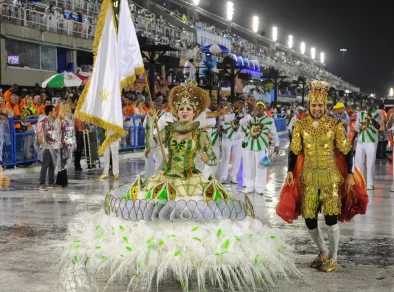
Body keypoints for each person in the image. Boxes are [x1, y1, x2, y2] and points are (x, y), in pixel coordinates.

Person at [61, 81, 300, 291]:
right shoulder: (168, 130)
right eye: (181, 108)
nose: (184, 112)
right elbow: (154, 143)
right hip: (166, 179)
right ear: (176, 111)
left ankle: (188, 258)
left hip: (191, 180)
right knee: (158, 215)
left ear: (194, 111)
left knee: (191, 218)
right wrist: (154, 130)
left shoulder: (200, 133)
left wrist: (207, 158)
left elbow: (212, 158)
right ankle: (162, 258)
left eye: (188, 109)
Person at [278, 80, 368, 272]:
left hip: (330, 179)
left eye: (320, 105)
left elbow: (346, 151)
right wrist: (290, 171)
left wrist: (351, 174)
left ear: (325, 105)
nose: (317, 108)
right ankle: (323, 252)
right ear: (309, 105)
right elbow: (294, 151)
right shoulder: (301, 125)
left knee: (330, 219)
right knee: (309, 219)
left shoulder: (335, 124)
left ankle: (334, 258)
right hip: (308, 178)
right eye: (313, 105)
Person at [240, 101, 279, 195]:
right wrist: (249, 116)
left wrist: (277, 145)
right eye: (257, 108)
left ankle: (260, 188)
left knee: (261, 167)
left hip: (262, 147)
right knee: (249, 167)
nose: (258, 109)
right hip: (249, 146)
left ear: (264, 109)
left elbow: (274, 133)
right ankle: (249, 187)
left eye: (260, 108)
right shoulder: (250, 119)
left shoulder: (269, 120)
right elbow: (241, 124)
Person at [351, 99, 382, 190]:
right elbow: (357, 128)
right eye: (367, 103)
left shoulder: (377, 113)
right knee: (358, 163)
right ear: (364, 104)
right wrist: (352, 140)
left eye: (370, 103)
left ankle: (370, 184)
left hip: (371, 141)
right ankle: (360, 182)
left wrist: (370, 117)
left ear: (373, 104)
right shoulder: (360, 114)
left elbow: (378, 126)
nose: (368, 105)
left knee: (370, 163)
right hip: (360, 141)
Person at [219, 98, 244, 184]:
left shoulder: (244, 112)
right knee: (225, 158)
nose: (240, 104)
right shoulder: (228, 110)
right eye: (239, 102)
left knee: (237, 159)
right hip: (227, 137)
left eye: (242, 103)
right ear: (234, 103)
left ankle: (233, 176)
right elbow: (225, 119)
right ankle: (223, 177)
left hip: (238, 138)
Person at [36, 105, 59, 191]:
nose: (55, 113)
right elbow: (40, 134)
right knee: (45, 165)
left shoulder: (53, 121)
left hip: (54, 146)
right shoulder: (43, 122)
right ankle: (42, 183)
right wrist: (44, 145)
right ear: (49, 112)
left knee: (52, 165)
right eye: (54, 111)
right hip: (47, 147)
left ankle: (51, 182)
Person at [56, 100, 75, 187]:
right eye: (67, 106)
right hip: (63, 143)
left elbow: (72, 130)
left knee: (67, 161)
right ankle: (61, 180)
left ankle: (63, 180)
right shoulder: (60, 119)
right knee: (62, 162)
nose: (69, 108)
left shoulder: (70, 118)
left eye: (69, 106)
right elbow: (58, 132)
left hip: (69, 142)